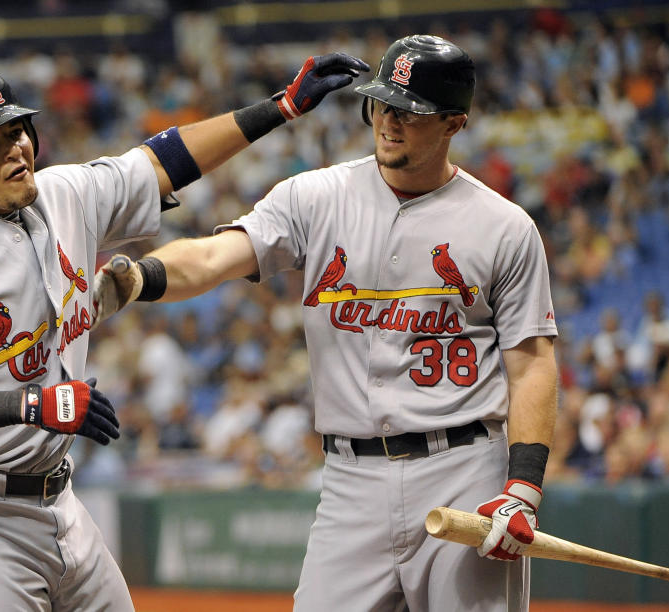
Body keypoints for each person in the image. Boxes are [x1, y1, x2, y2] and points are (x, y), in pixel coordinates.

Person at [0, 52, 368, 612]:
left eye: (18, 131)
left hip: (57, 497)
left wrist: (282, 107)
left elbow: (163, 161)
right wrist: (31, 405)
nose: (15, 151)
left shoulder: (62, 196)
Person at [96, 34, 558, 611]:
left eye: (410, 112)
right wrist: (139, 277)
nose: (390, 121)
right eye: (382, 104)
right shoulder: (316, 196)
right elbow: (217, 256)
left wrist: (522, 489)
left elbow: (532, 363)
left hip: (464, 469)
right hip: (350, 478)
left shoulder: (504, 226)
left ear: (453, 124)